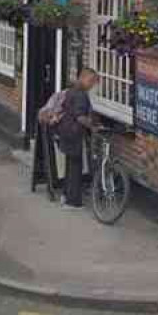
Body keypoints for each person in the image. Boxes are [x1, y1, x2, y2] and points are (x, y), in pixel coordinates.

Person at [56, 68, 99, 209]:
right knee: (75, 167)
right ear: (83, 77)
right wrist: (92, 126)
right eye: (91, 81)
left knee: (70, 165)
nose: (92, 85)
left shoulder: (70, 91)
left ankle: (65, 195)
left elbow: (63, 107)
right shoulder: (81, 94)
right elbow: (80, 117)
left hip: (66, 131)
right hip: (75, 133)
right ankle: (72, 202)